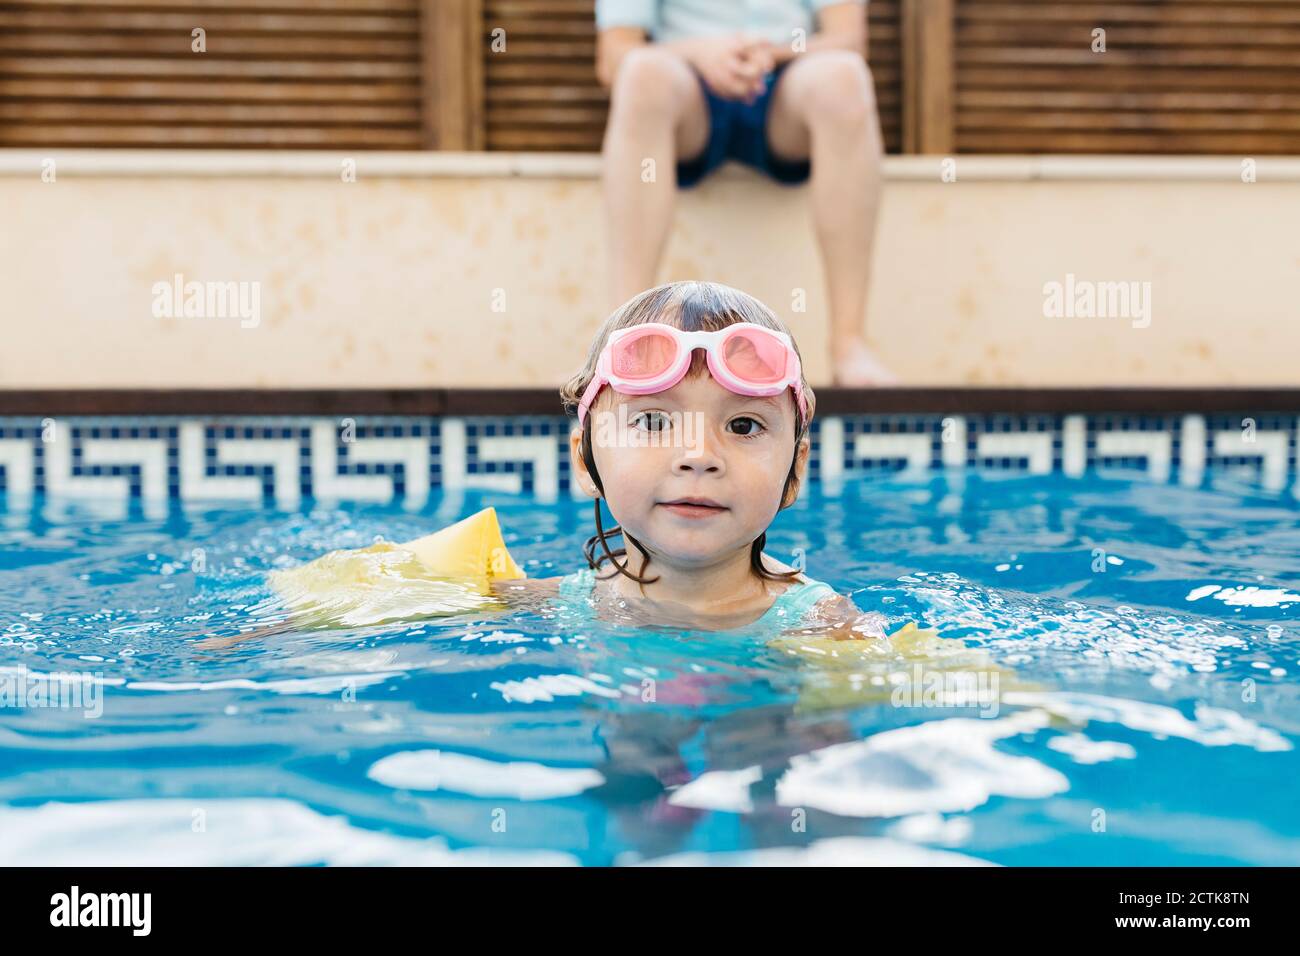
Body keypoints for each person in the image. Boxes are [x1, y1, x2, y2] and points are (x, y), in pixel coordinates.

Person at [546, 280, 888, 635]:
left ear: (796, 471)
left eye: (742, 425)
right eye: (652, 421)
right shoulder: (564, 601)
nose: (699, 456)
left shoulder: (825, 626)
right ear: (585, 462)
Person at [595, 0, 896, 385]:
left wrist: (771, 53)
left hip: (787, 85)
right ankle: (627, 342)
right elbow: (614, 56)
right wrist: (699, 52)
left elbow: (847, 39)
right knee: (640, 73)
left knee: (845, 75)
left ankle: (848, 346)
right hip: (685, 87)